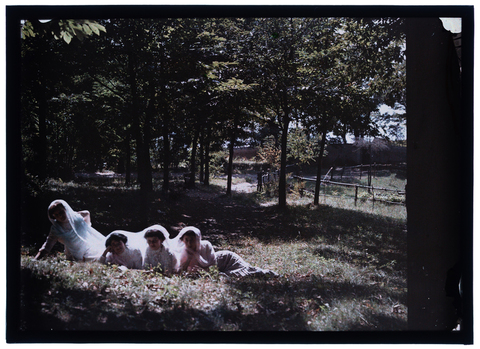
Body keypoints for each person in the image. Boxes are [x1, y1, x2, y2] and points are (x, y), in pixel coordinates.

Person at [173, 226, 278, 277]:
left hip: (226, 259)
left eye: (192, 240)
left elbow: (212, 267)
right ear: (183, 240)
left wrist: (197, 256)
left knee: (243, 272)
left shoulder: (205, 245)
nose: (189, 243)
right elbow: (180, 270)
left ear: (198, 240)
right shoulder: (183, 251)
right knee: (225, 276)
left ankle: (267, 273)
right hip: (219, 268)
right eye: (186, 240)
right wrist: (189, 257)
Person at [34, 199, 106, 261]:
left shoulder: (77, 219)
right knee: (103, 259)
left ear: (65, 209)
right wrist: (34, 260)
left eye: (61, 212)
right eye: (56, 215)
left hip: (90, 247)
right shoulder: (56, 229)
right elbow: (46, 247)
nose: (60, 216)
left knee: (110, 251)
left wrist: (72, 213)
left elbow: (86, 213)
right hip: (78, 256)